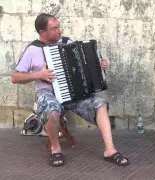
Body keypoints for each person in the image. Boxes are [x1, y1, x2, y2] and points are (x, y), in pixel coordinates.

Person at [11, 13, 130, 167]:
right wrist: (38, 74)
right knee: (52, 110)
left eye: (59, 27)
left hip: (74, 94)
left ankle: (110, 150)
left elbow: (85, 63)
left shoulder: (67, 42)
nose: (59, 31)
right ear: (42, 32)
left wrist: (98, 64)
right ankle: (55, 149)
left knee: (100, 104)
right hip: (48, 93)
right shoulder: (32, 50)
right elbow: (15, 77)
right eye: (54, 29)